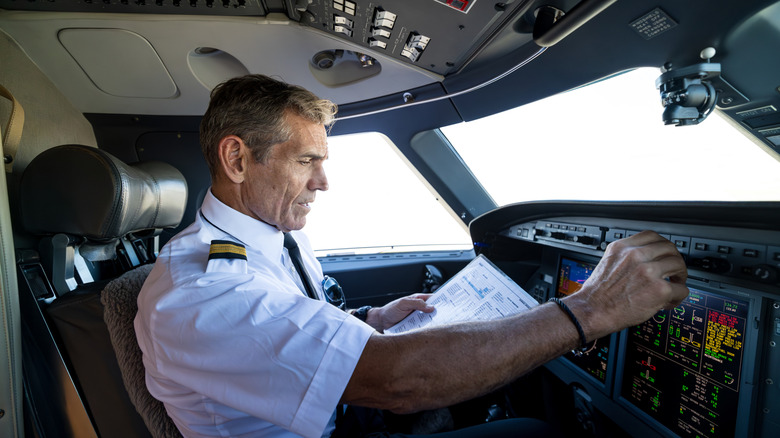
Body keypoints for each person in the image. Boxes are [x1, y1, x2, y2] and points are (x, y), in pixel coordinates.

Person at [134, 74, 690, 438]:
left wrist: (369, 322)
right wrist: (591, 310)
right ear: (237, 158)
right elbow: (399, 383)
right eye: (306, 161)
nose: (323, 182)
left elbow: (281, 325)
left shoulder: (268, 234)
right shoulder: (202, 292)